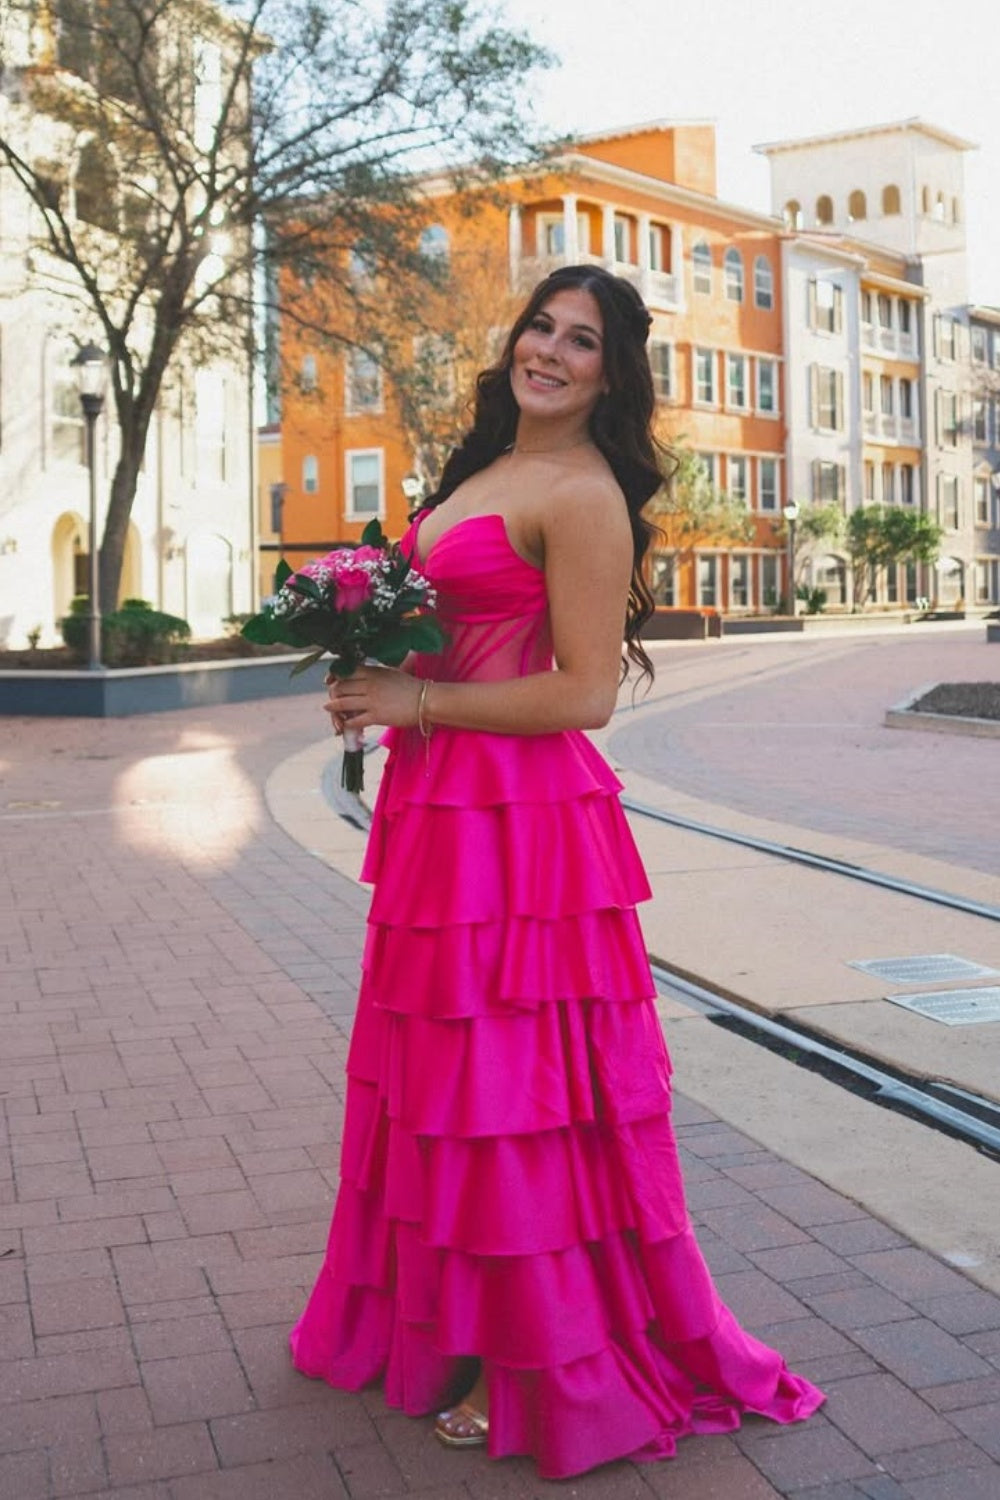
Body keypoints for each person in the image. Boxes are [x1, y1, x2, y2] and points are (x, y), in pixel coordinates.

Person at [289, 264, 825, 1478]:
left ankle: (533, 1354)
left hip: (520, 831)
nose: (548, 350)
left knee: (511, 1091)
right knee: (437, 1080)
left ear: (610, 374)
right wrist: (376, 679)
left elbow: (585, 693)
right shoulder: (481, 470)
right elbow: (453, 637)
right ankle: (450, 1322)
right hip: (439, 811)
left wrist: (419, 699)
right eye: (540, 326)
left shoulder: (584, 496)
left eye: (580, 341)